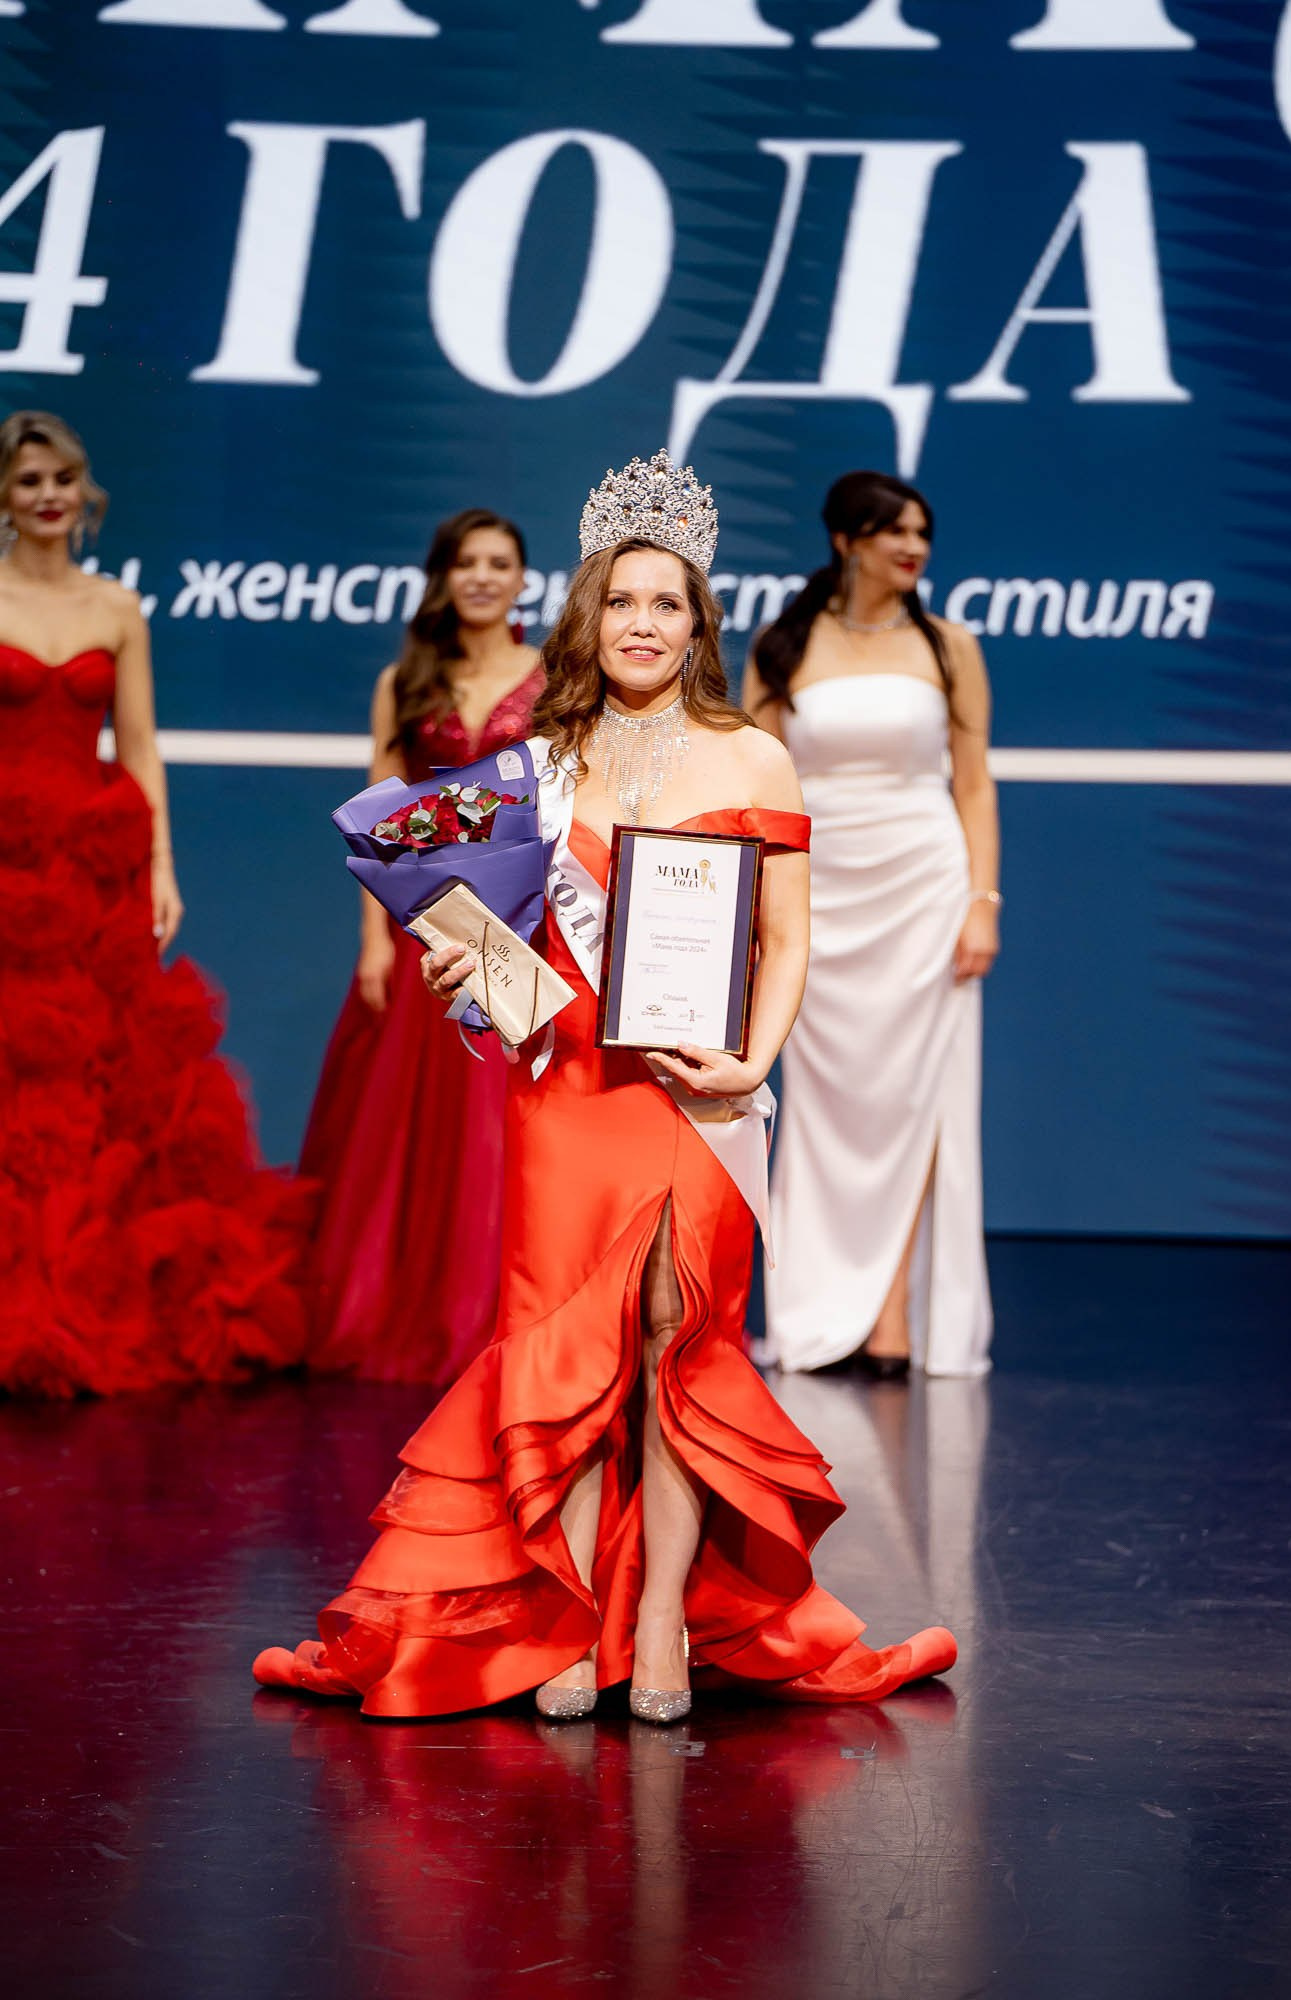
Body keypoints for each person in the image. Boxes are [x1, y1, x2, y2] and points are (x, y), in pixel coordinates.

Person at [254, 449, 957, 1723]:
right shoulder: (540, 760)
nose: (641, 622)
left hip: (698, 1093)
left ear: (698, 623)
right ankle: (573, 1613)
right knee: (568, 1351)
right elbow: (487, 933)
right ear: (590, 615)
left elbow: (788, 937)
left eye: (665, 602)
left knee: (673, 1341)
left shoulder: (755, 759)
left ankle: (663, 1617)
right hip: (566, 1089)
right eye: (620, 600)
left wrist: (755, 1058)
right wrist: (463, 962)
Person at [0, 410, 309, 1396]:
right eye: (28, 479)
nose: (48, 495)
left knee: (97, 1078)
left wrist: (162, 867)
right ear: (4, 494)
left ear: (84, 491)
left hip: (94, 871)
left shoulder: (118, 608)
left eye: (62, 478)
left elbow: (139, 747)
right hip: (6, 861)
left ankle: (77, 1295)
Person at [744, 470, 998, 1381]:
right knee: (822, 1103)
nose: (913, 547)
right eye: (894, 531)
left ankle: (890, 1317)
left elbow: (972, 782)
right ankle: (815, 1308)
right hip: (817, 891)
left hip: (924, 887)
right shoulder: (781, 645)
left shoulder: (949, 645)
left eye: (922, 532)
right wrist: (758, 906)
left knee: (918, 1094)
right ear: (846, 540)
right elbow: (757, 785)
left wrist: (982, 902)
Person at [300, 510, 543, 1383]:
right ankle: (413, 1312)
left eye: (498, 562)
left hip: (519, 924)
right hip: (423, 928)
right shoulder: (404, 681)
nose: (481, 576)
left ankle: (502, 1316)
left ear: (522, 580)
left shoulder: (554, 676)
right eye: (465, 562)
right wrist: (373, 939)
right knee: (412, 1137)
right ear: (442, 577)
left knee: (501, 1124)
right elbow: (377, 817)